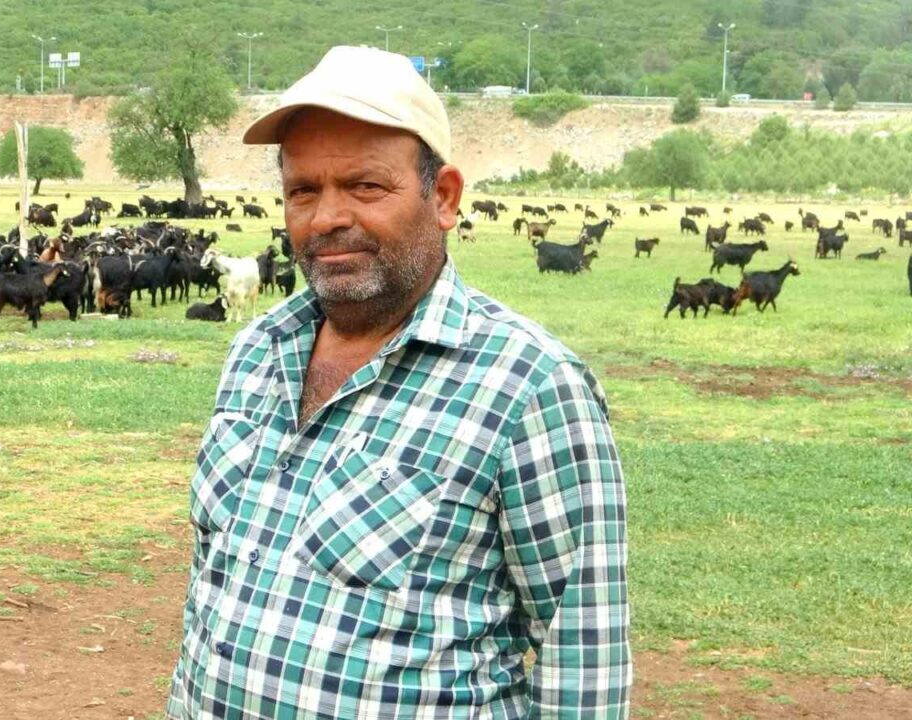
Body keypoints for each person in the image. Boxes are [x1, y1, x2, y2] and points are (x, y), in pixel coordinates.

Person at [168, 45, 630, 719]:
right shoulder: (255, 352)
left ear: (443, 198)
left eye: (365, 187)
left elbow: (582, 659)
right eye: (303, 191)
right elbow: (214, 590)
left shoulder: (530, 386)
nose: (327, 218)